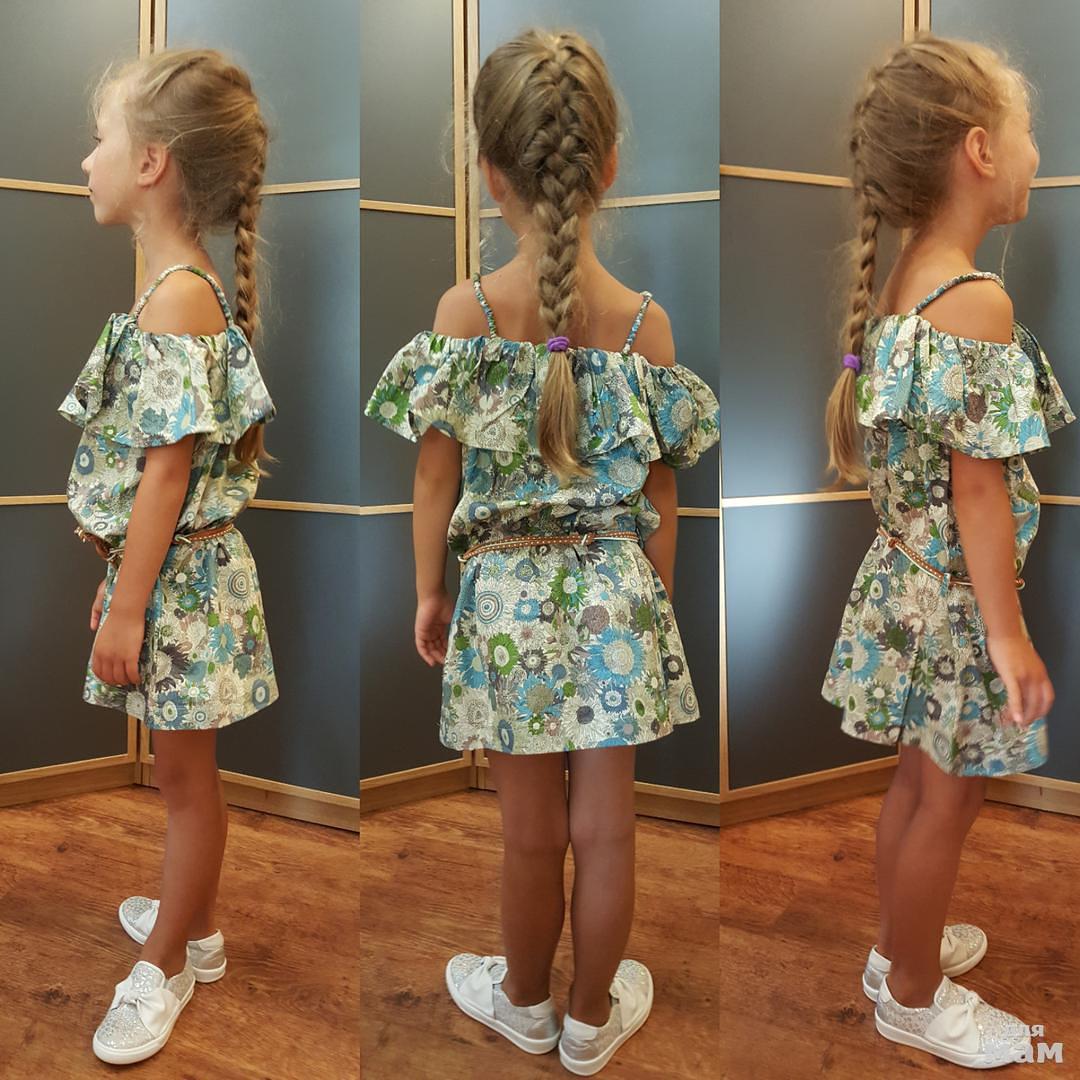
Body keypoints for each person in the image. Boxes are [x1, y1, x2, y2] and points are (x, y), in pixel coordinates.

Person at [365, 28, 720, 1077]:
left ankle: (522, 1002)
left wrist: (429, 591)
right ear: (608, 166)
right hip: (618, 595)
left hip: (504, 597)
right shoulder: (646, 327)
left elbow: (434, 481)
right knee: (608, 830)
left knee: (527, 829)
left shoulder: (465, 313)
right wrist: (654, 609)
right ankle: (589, 1020)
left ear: (487, 173)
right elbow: (662, 495)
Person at [821, 35, 1073, 1069]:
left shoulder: (907, 285)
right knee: (950, 798)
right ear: (978, 149)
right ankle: (915, 998)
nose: (1036, 155)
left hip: (908, 588)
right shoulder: (974, 299)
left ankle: (898, 949)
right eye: (1027, 134)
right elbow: (978, 488)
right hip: (956, 605)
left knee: (918, 789)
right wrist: (1009, 638)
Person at [59, 48, 277, 1065]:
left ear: (151, 163)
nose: (85, 159)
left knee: (187, 787)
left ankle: (166, 964)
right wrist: (119, 574)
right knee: (185, 778)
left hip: (181, 587)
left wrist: (127, 605)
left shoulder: (178, 298)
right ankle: (198, 924)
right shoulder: (171, 291)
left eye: (100, 139)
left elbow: (165, 474)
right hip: (173, 579)